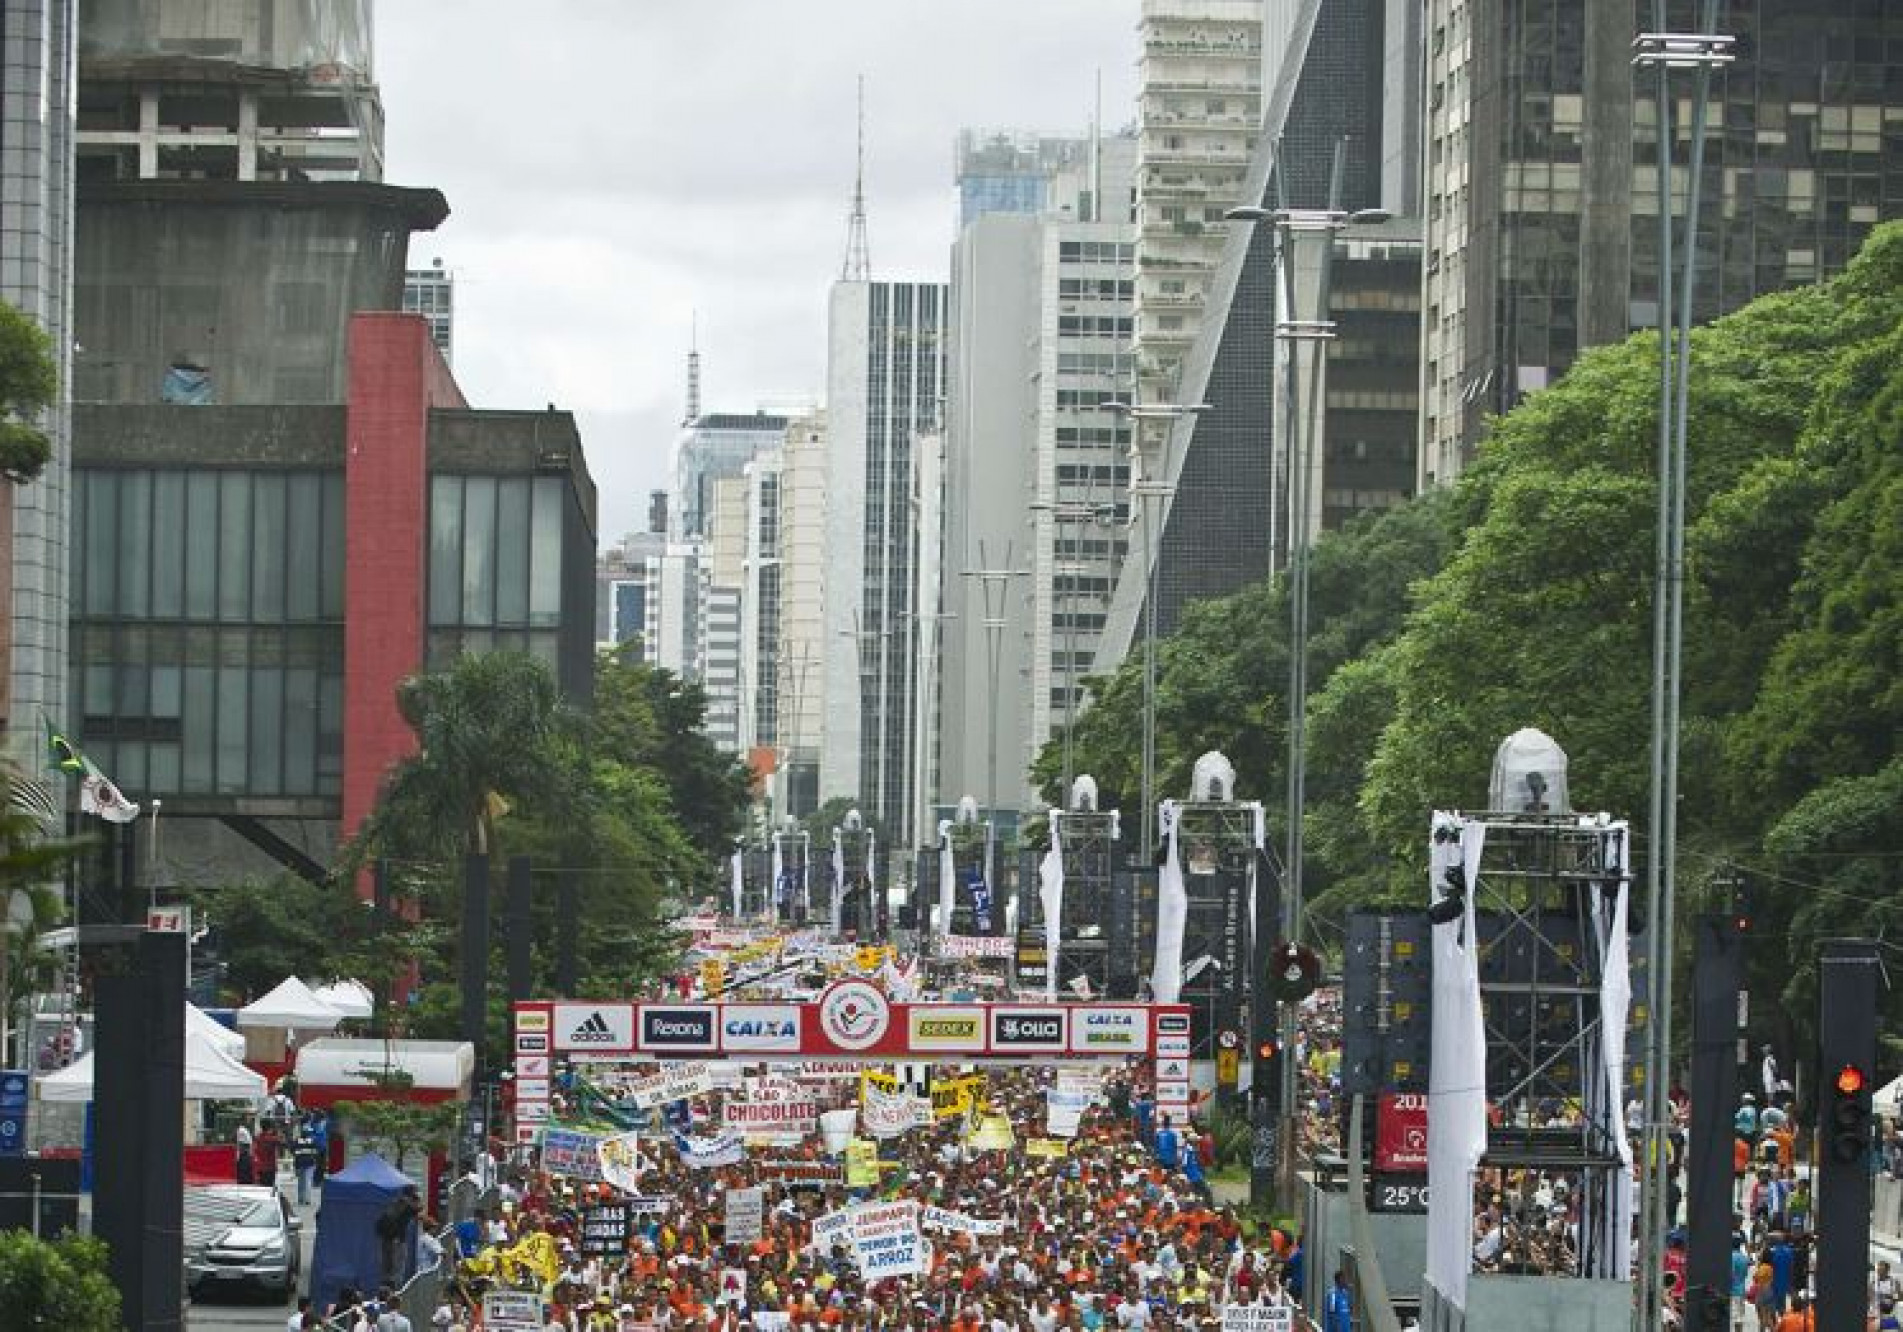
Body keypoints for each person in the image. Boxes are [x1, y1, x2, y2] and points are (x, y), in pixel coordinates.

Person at [376, 1184, 424, 1286]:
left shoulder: (395, 1203)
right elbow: (420, 1208)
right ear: (411, 1194)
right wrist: (417, 1199)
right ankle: (395, 1290)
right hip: (398, 1240)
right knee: (398, 1268)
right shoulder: (408, 1205)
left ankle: (385, 1289)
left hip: (386, 1239)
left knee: (387, 1267)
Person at [292, 1118, 320, 1206]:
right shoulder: (313, 1141)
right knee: (308, 1181)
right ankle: (307, 1199)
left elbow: (293, 1151)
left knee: (300, 1182)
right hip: (310, 1163)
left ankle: (300, 1198)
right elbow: (316, 1152)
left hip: (299, 1163)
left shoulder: (297, 1141)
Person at [234, 1120, 256, 1186]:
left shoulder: (240, 1131)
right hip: (246, 1151)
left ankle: (244, 1180)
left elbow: (241, 1143)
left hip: (245, 1152)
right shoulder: (243, 1130)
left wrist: (239, 1152)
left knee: (243, 1167)